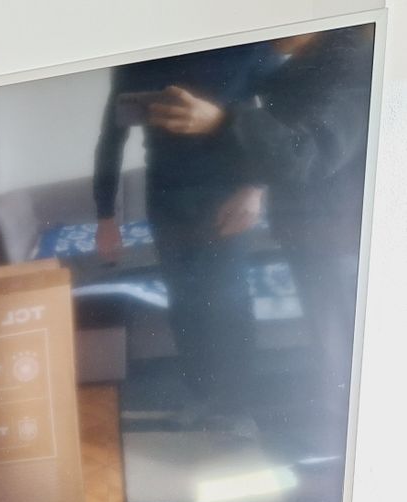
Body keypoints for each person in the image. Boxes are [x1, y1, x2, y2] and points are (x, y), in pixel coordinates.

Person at [148, 25, 374, 457]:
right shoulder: (299, 69)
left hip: (341, 236)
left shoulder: (352, 65)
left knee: (345, 345)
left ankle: (351, 454)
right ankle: (334, 440)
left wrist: (222, 122)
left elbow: (303, 154)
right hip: (311, 233)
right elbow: (278, 144)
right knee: (330, 341)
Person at [94, 42, 275, 426]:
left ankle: (238, 410)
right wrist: (105, 216)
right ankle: (202, 398)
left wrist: (256, 187)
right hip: (165, 199)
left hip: (227, 194)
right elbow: (112, 136)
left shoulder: (247, 44)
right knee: (184, 301)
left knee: (227, 301)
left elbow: (277, 117)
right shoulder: (138, 57)